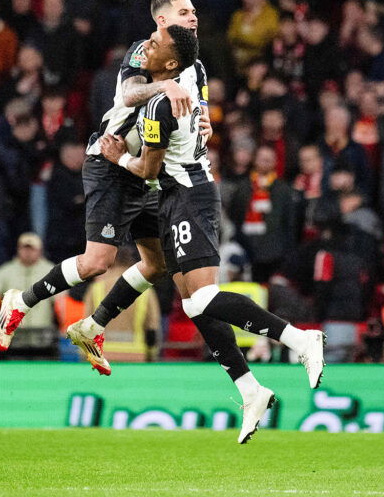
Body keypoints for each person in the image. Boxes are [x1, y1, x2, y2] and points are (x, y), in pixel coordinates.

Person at [98, 24, 324, 444]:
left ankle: (300, 339)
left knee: (202, 298)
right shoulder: (191, 76)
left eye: (155, 43)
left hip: (189, 196)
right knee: (194, 307)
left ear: (168, 63)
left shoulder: (160, 106)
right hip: (176, 197)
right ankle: (250, 390)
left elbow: (146, 168)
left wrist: (121, 157)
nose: (145, 45)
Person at [0, 0, 203, 372]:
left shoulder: (194, 67)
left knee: (156, 266)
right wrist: (162, 86)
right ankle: (20, 302)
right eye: (184, 11)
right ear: (161, 20)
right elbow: (127, 92)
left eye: (193, 11)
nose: (193, 17)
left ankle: (92, 327)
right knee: (96, 262)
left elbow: (194, 117)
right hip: (110, 161)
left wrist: (203, 124)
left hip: (145, 172)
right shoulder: (145, 50)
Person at [0, 233, 58, 358]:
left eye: (32, 249)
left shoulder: (51, 271)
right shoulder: (6, 271)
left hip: (43, 338)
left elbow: (61, 302)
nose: (28, 252)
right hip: (13, 339)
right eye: (24, 248)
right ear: (18, 249)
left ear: (40, 251)